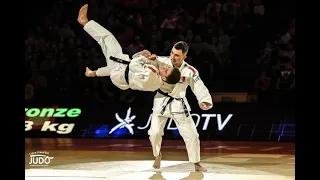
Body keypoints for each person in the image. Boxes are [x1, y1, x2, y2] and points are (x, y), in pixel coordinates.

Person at [77, 4, 181, 91]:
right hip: (120, 77)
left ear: (165, 78)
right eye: (168, 67)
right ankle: (92, 73)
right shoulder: (156, 84)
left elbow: (133, 65)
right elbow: (136, 67)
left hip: (122, 71)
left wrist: (145, 57)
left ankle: (84, 22)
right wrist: (145, 59)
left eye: (166, 71)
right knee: (108, 55)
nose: (165, 67)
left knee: (108, 38)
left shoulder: (153, 74)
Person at [147, 41, 213, 172]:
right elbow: (145, 66)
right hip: (161, 101)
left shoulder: (190, 71)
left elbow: (198, 86)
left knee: (193, 135)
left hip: (179, 104)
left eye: (177, 55)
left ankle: (196, 162)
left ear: (184, 57)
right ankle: (157, 155)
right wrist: (147, 58)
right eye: (172, 53)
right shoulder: (161, 61)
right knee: (154, 133)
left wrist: (204, 100)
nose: (172, 57)